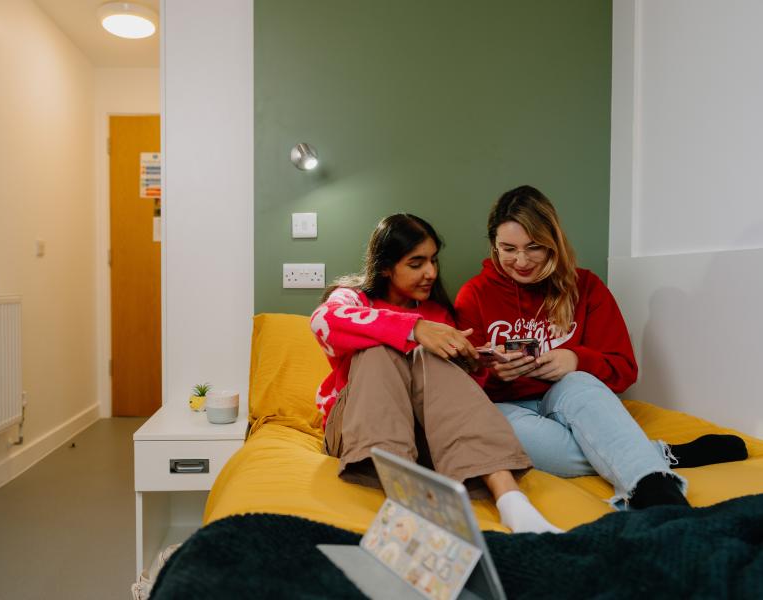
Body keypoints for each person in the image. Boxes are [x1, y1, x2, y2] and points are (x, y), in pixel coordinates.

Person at [454, 185, 747, 509]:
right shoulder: (474, 295)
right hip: (508, 408)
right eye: (508, 249)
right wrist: (496, 374)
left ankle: (656, 493)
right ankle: (656, 453)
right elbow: (460, 387)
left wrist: (577, 360)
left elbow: (624, 369)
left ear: (553, 242)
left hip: (572, 398)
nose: (521, 261)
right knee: (504, 437)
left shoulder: (586, 286)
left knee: (579, 382)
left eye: (534, 247)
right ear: (493, 245)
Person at [311, 213, 561, 533]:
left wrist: (475, 364)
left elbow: (453, 400)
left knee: (431, 357)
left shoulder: (437, 313)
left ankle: (512, 501)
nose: (431, 272)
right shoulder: (353, 299)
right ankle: (403, 498)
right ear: (386, 267)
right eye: (416, 264)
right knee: (379, 349)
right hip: (356, 430)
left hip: (424, 435)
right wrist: (414, 329)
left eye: (433, 261)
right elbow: (323, 320)